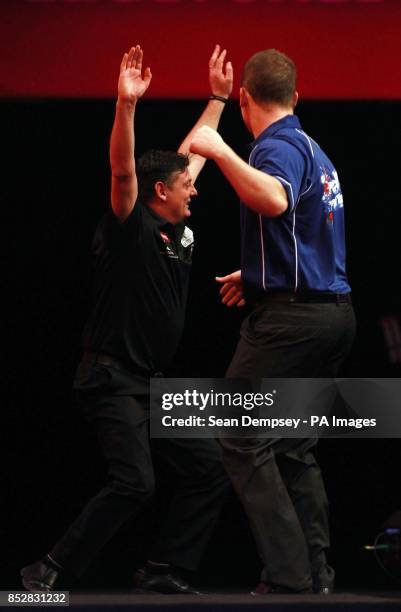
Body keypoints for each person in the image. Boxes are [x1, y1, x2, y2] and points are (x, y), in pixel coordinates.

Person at [21, 44, 233, 593]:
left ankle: (163, 569)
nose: (196, 189)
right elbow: (122, 168)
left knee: (210, 468)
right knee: (135, 483)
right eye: (186, 186)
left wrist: (216, 99)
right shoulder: (130, 225)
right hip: (110, 377)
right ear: (160, 192)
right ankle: (49, 568)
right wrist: (126, 105)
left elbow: (195, 154)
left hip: (151, 384)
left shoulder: (179, 229)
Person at [190, 49, 356, 594]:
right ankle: (318, 574)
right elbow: (305, 232)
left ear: (243, 99)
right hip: (330, 315)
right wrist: (259, 274)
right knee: (289, 445)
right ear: (296, 98)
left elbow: (275, 200)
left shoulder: (277, 147)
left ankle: (290, 577)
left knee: (239, 437)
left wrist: (219, 152)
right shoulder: (316, 149)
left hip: (292, 324)